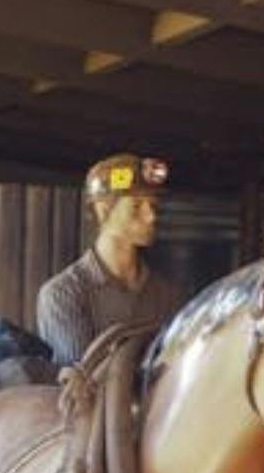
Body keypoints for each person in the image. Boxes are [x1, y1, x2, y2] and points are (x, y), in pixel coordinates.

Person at [36, 152, 183, 364]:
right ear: (103, 210)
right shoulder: (63, 295)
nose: (151, 216)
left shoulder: (167, 295)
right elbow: (83, 383)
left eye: (153, 206)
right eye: (136, 206)